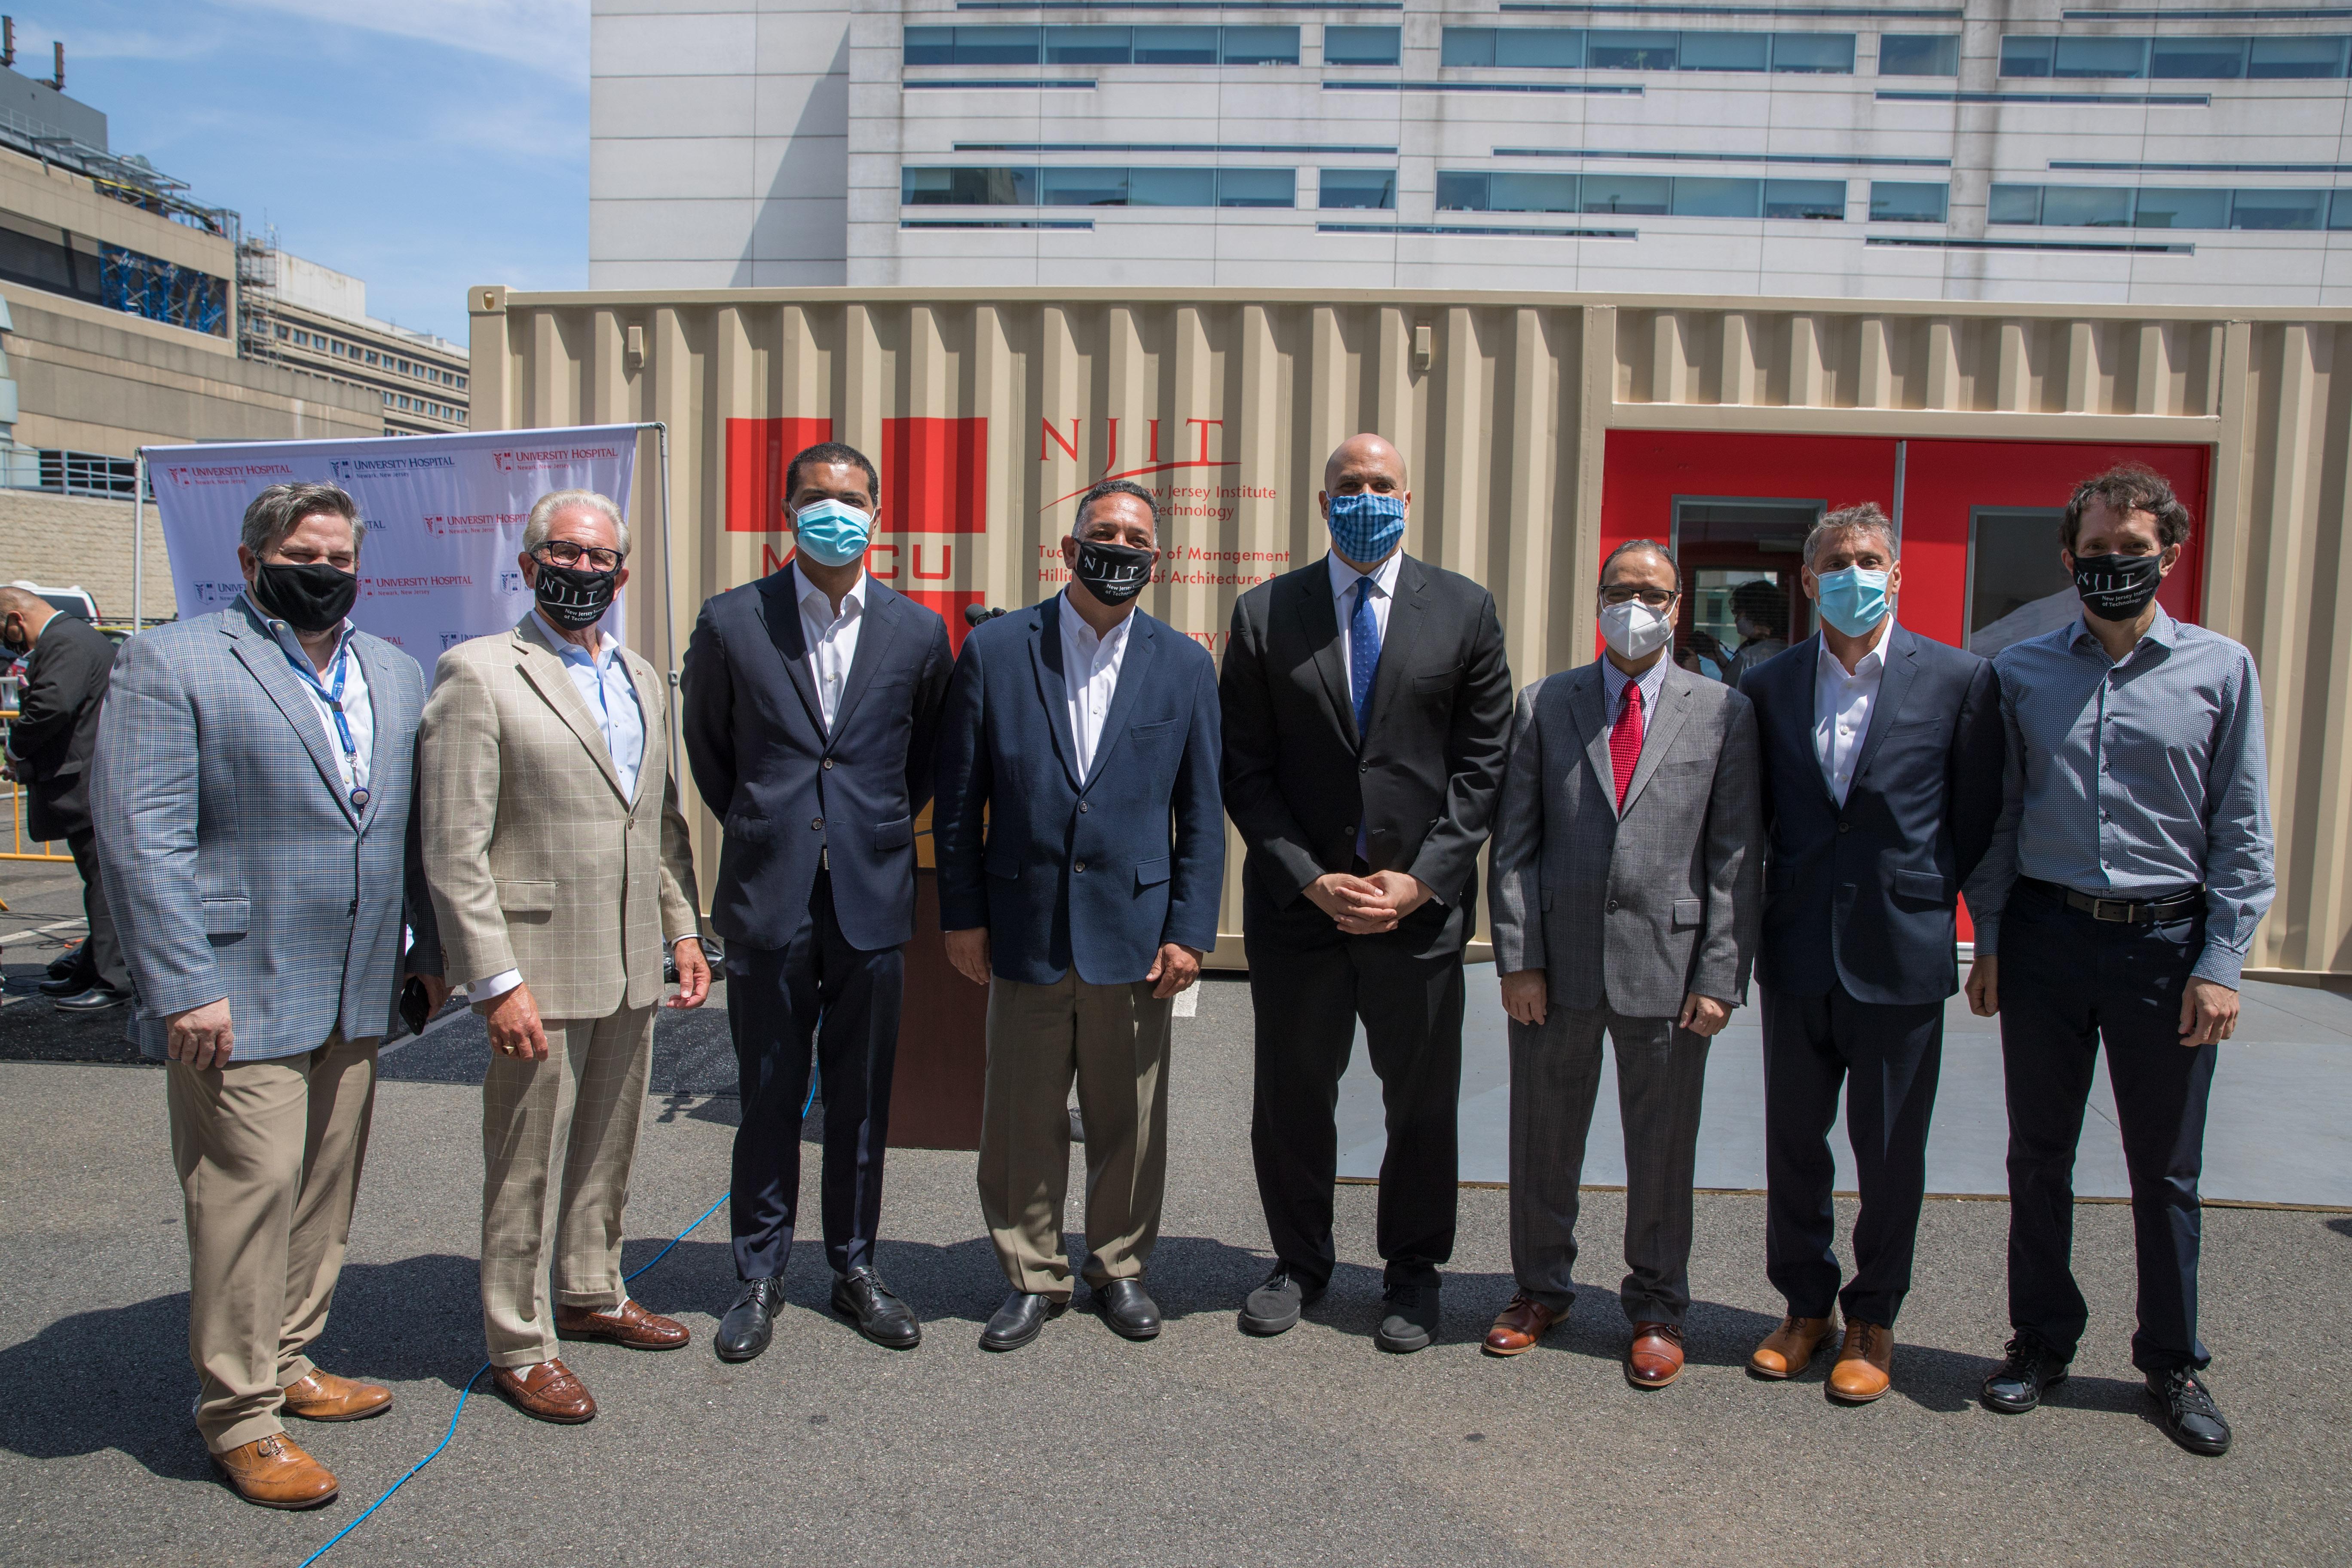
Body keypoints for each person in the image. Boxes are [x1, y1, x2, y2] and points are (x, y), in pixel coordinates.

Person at [91, 482, 448, 1508]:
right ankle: (239, 1416)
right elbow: (142, 836)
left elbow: (404, 827)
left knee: (324, 1194)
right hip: (234, 991)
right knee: (243, 1201)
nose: (324, 572)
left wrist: (424, 948)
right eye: (303, 554)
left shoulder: (391, 668)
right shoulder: (174, 660)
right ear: (251, 563)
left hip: (357, 982)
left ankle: (290, 1360)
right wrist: (182, 983)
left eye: (339, 558)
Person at [1964, 464, 2273, 1458]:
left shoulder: (2219, 670)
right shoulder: (2019, 671)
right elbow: (2000, 819)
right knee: (2035, 1156)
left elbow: (2240, 826)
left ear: (2167, 557)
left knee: (2164, 1170)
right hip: (2049, 940)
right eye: (2093, 552)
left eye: (2129, 551)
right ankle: (2038, 1342)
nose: (2110, 566)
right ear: (2067, 559)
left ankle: (2170, 1360)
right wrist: (1993, 939)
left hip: (2164, 947)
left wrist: (2219, 959)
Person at [419, 487, 710, 1426]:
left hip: (629, 957)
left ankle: (589, 1290)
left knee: (608, 1145)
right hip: (535, 963)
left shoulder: (643, 675)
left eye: (598, 558)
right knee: (527, 1161)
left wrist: (683, 932)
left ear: (622, 573)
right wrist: (493, 979)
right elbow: (452, 845)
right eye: (563, 552)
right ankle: (520, 1339)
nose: (581, 570)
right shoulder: (479, 673)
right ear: (528, 561)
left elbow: (657, 826)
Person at [1219, 432, 1513, 1352]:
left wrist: (1423, 881)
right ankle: (1300, 1264)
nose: (1367, 497)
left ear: (1408, 498)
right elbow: (1245, 770)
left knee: (1419, 1105)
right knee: (1295, 1097)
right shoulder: (1267, 614)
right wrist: (1309, 879)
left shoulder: (1464, 611)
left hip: (1415, 917)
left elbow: (1482, 768)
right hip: (1300, 913)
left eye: (1382, 483)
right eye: (1350, 485)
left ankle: (1412, 1273)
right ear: (1322, 502)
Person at [933, 478, 1222, 1352]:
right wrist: (963, 917)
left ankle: (1119, 1266)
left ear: (1159, 561)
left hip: (1134, 935)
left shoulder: (1183, 664)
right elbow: (959, 802)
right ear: (1068, 550)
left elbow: (1203, 814)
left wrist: (1190, 930)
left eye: (1137, 539)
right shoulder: (995, 651)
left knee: (1127, 1116)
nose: (1120, 550)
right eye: (1104, 535)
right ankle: (1032, 1274)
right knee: (1021, 1115)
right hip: (1023, 922)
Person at [680, 441, 953, 1360]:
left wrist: (858, 826)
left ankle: (855, 1268)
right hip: (770, 895)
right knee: (766, 1094)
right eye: (815, 498)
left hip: (871, 897)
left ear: (878, 517)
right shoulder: (730, 623)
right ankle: (760, 1275)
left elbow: (919, 766)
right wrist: (775, 825)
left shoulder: (918, 633)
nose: (833, 512)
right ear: (785, 513)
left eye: (851, 499)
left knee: (861, 1099)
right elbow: (714, 757)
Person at [1737, 504, 2004, 1402]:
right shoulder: (1768, 685)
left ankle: (1874, 1318)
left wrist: (1927, 902)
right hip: (1799, 949)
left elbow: (1972, 820)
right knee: (1793, 1145)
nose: (1856, 573)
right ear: (1809, 581)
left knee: (1891, 1151)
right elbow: (1757, 818)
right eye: (1838, 560)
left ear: (1897, 575)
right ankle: (1804, 1308)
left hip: (1901, 950)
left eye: (1872, 559)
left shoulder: (1961, 681)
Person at [1484, 539, 1761, 1387]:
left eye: (1653, 592)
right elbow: (1515, 845)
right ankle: (1540, 1289)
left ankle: (1656, 1306)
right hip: (1559, 965)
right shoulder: (1547, 704)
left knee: (1662, 1148)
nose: (1634, 604)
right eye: (1619, 589)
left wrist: (1720, 976)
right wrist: (1518, 960)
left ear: (1678, 608)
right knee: (1542, 1140)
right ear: (1598, 600)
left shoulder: (1722, 712)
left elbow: (1735, 857)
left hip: (1671, 970)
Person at [0, 586, 131, 1012]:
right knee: (98, 883)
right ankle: (92, 970)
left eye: (6, 631)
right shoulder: (74, 638)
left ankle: (114, 981)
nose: (10, 644)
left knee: (103, 885)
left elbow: (50, 707)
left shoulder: (65, 641)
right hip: (88, 780)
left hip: (90, 786)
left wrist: (17, 748)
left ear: (17, 619)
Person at [1724, 577, 1789, 689]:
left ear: (1754, 614)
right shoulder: (1787, 650)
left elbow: (1728, 698)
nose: (1736, 620)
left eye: (1738, 614)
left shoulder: (1749, 657)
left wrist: (1697, 672)